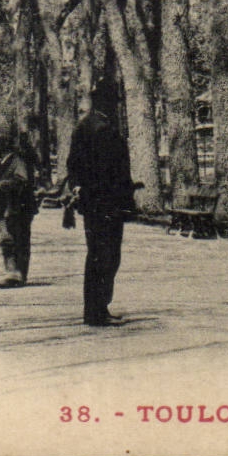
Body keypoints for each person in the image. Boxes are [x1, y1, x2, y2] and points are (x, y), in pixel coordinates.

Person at [65, 105, 135, 327]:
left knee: (95, 255)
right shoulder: (105, 131)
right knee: (108, 257)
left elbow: (72, 165)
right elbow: (112, 171)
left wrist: (78, 188)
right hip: (107, 203)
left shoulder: (82, 126)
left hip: (91, 202)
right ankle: (98, 310)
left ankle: (94, 310)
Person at [0, 130, 38, 288]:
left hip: (16, 208)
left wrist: (0, 184)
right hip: (5, 207)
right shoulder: (5, 162)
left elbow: (21, 180)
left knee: (17, 240)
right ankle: (13, 272)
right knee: (7, 240)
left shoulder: (16, 161)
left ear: (3, 147)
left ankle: (17, 274)